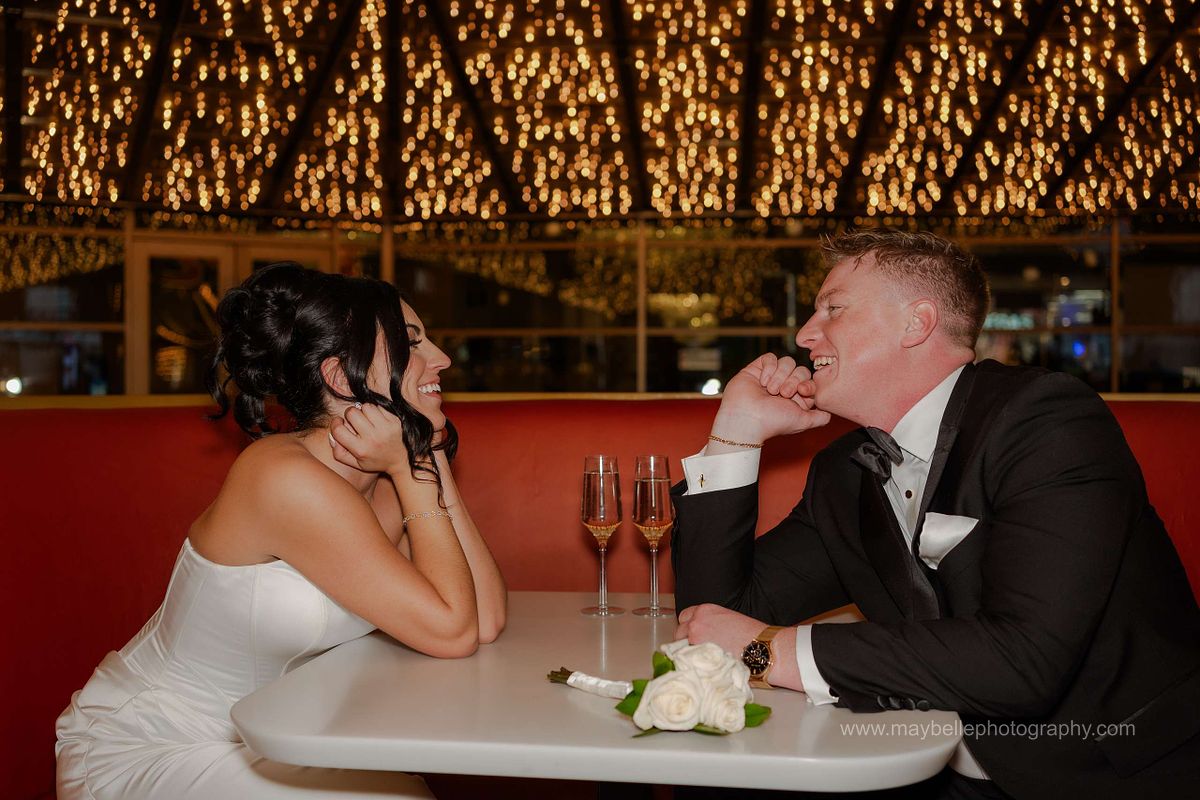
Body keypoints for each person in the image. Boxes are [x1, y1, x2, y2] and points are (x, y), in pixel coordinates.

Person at [671, 229, 1200, 799]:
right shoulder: (844, 471)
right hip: (930, 768)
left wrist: (769, 651)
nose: (804, 334)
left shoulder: (1047, 423)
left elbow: (1025, 661)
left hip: (1106, 774)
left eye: (834, 308)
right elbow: (714, 620)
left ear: (916, 323)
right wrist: (736, 435)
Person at [56, 263, 507, 799]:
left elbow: (483, 621)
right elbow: (453, 633)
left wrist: (426, 452)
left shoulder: (389, 484)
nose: (442, 358)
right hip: (161, 741)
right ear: (341, 377)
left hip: (286, 738)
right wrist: (415, 469)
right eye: (411, 344)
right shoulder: (280, 476)